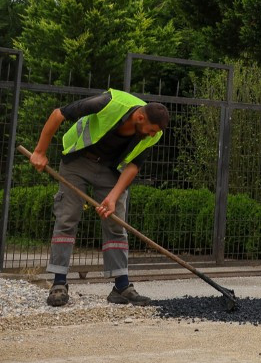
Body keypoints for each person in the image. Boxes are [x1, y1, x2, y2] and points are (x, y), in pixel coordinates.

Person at [28, 89, 169, 307]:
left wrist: (113, 197)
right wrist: (39, 151)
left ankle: (121, 287)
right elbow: (58, 114)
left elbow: (134, 166)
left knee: (116, 224)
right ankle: (59, 284)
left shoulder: (155, 132)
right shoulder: (109, 102)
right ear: (140, 117)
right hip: (78, 161)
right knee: (67, 218)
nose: (153, 135)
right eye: (150, 130)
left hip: (111, 171)